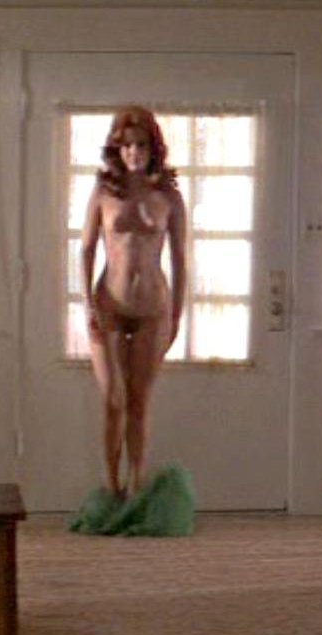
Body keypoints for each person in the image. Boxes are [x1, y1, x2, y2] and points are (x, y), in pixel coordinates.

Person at [80, 106, 187, 497]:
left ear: (153, 148)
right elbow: (86, 250)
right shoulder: (104, 192)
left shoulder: (169, 196)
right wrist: (87, 306)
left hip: (152, 309)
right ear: (117, 149)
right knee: (115, 398)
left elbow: (180, 259)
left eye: (141, 145)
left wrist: (176, 316)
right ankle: (112, 487)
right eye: (127, 146)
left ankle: (136, 483)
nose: (134, 153)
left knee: (140, 401)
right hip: (109, 306)